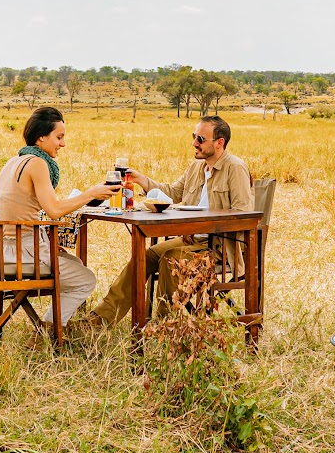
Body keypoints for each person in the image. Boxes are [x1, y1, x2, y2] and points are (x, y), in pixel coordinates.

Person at [90, 115, 254, 324]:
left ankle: (165, 325)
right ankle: (101, 318)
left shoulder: (235, 167)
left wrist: (195, 226)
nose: (194, 143)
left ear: (219, 143)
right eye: (194, 137)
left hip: (220, 247)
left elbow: (243, 215)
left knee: (170, 257)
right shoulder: (196, 167)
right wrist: (141, 179)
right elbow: (172, 192)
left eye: (200, 139)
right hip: (193, 240)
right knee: (147, 255)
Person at [0, 106, 114, 327]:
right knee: (85, 279)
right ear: (41, 136)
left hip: (1, 251)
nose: (63, 144)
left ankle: (56, 326)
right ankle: (48, 331)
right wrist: (91, 194)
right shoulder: (36, 164)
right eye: (59, 137)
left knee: (74, 263)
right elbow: (55, 210)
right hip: (24, 254)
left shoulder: (14, 161)